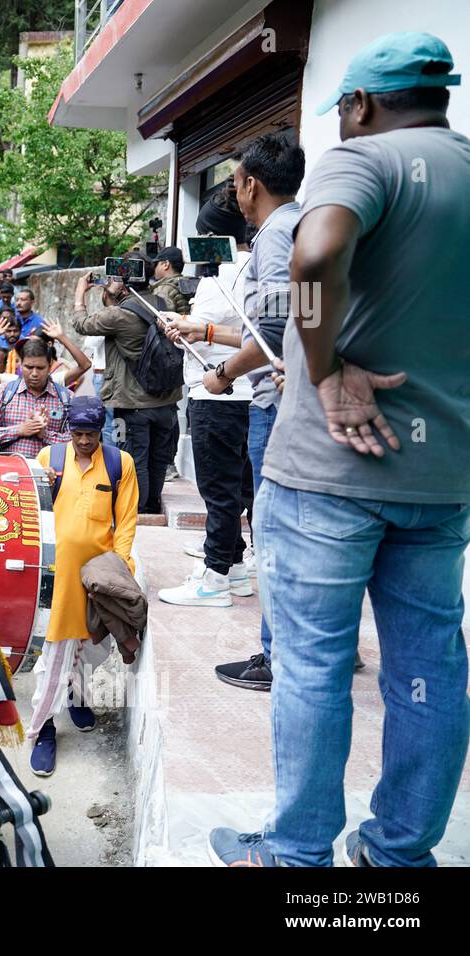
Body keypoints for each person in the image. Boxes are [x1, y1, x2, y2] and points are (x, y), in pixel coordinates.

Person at [209, 32, 470, 869]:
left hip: (330, 472)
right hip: (441, 472)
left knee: (315, 667)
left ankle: (297, 855)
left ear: (359, 104)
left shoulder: (366, 162)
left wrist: (322, 374)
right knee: (429, 670)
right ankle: (398, 856)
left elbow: (317, 255)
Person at [201, 130, 305, 688]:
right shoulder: (309, 225)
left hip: (275, 404)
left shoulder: (272, 237)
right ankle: (318, 644)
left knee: (272, 532)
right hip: (303, 397)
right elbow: (297, 318)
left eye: (236, 182)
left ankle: (275, 655)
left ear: (251, 185)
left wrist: (222, 374)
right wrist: (207, 330)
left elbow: (269, 328)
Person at [25, 398, 139, 776]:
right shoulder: (48, 459)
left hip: (97, 577)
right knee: (54, 655)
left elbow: (125, 521)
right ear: (67, 430)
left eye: (91, 434)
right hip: (56, 576)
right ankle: (44, 729)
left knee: (93, 647)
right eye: (78, 434)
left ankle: (76, 698)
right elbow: (32, 512)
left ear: (102, 430)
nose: (85, 441)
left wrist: (119, 568)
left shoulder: (121, 464)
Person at [156, 238, 256, 609]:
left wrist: (185, 324)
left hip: (219, 394)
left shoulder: (226, 273)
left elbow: (206, 326)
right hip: (244, 394)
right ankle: (233, 567)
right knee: (234, 488)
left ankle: (215, 577)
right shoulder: (261, 264)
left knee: (220, 491)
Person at [71, 252, 180, 514]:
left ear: (121, 282)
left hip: (132, 405)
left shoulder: (119, 315)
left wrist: (80, 293)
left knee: (133, 458)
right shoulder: (165, 304)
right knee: (157, 459)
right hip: (167, 401)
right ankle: (151, 504)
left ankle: (138, 511)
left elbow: (81, 324)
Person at [0, 329, 74, 460]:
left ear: (50, 365)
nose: (34, 373)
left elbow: (75, 441)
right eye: (29, 367)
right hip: (10, 471)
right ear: (20, 364)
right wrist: (19, 430)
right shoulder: (4, 392)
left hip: (51, 471)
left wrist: (45, 434)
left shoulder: (66, 398)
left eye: (40, 368)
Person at [150, 246, 192, 315]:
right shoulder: (188, 283)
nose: (154, 268)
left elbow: (159, 319)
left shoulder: (163, 290)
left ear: (166, 265)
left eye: (156, 264)